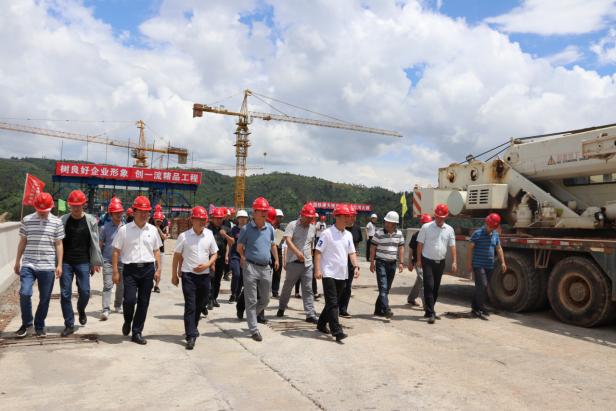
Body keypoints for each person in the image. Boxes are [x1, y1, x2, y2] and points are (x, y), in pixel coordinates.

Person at [112, 196, 162, 345]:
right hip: (130, 270)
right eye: (140, 211)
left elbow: (157, 251)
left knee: (143, 302)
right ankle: (128, 320)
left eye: (146, 211)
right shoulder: (124, 230)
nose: (143, 214)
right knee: (129, 300)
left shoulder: (153, 230)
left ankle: (137, 332)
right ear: (133, 212)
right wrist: (115, 272)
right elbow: (116, 251)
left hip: (148, 269)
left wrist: (158, 269)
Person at [13, 193, 65, 338]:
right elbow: (23, 241)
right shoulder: (27, 220)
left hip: (47, 265)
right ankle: (27, 323)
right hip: (29, 263)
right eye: (40, 210)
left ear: (51, 207)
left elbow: (59, 244)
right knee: (24, 293)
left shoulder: (57, 222)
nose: (42, 212)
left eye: (45, 210)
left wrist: (59, 264)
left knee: (45, 298)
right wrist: (17, 261)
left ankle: (39, 325)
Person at [172, 206, 218, 349]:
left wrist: (208, 265)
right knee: (190, 306)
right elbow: (176, 256)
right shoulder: (184, 236)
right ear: (192, 220)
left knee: (199, 305)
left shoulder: (209, 235)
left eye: (204, 219)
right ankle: (190, 336)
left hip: (204, 276)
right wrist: (174, 275)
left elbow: (214, 253)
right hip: (189, 277)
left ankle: (194, 326)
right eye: (199, 219)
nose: (203, 222)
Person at [59, 190, 103, 337]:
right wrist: (58, 264)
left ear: (84, 204)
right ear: (69, 205)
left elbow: (94, 242)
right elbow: (58, 242)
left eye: (78, 205)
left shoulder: (90, 221)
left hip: (83, 261)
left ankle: (81, 308)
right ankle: (69, 323)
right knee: (65, 293)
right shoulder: (63, 220)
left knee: (84, 292)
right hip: (66, 262)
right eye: (73, 205)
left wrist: (93, 262)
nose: (76, 208)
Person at [315, 204, 359, 342]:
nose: (347, 218)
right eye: (345, 216)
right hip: (328, 273)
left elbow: (352, 252)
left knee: (332, 302)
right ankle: (337, 331)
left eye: (348, 216)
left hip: (342, 273)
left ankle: (321, 323)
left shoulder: (348, 235)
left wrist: (356, 266)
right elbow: (318, 251)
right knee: (333, 303)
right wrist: (317, 270)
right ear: (336, 217)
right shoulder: (327, 233)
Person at [236, 197, 278, 341]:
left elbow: (272, 244)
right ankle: (254, 330)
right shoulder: (246, 229)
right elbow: (239, 248)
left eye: (265, 210)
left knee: (266, 299)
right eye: (261, 210)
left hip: (266, 268)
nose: (264, 213)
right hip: (251, 267)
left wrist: (276, 259)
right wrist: (245, 258)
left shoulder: (270, 228)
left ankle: (251, 316)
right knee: (251, 300)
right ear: (254, 212)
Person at [276, 204, 318, 323]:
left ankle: (310, 314)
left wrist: (310, 256)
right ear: (302, 215)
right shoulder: (292, 225)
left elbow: (311, 244)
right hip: (293, 262)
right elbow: (288, 240)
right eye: (308, 217)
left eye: (312, 217)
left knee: (308, 288)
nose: (310, 219)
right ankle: (282, 307)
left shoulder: (312, 228)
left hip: (307, 264)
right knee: (288, 287)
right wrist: (297, 252)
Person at [416, 204, 457, 324]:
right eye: (437, 217)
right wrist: (419, 260)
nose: (439, 219)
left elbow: (452, 246)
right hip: (427, 261)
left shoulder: (449, 229)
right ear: (434, 215)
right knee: (429, 286)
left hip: (440, 262)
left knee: (436, 288)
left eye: (442, 217)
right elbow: (420, 244)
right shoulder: (426, 227)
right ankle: (431, 312)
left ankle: (429, 311)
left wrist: (454, 262)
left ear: (446, 217)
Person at [468, 214, 506, 319]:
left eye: (494, 227)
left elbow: (499, 248)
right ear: (486, 223)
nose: (492, 229)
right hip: (478, 264)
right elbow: (470, 248)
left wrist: (503, 262)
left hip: (490, 265)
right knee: (483, 285)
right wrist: (469, 264)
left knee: (482, 287)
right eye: (491, 227)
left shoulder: (495, 235)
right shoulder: (477, 234)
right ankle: (482, 307)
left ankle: (475, 307)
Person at [370, 211, 405, 319]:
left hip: (392, 264)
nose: (387, 224)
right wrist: (372, 263)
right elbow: (373, 248)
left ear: (395, 224)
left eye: (390, 222)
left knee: (386, 289)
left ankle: (378, 309)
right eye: (386, 221)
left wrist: (401, 263)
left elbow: (401, 248)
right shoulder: (379, 233)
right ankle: (386, 309)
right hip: (381, 263)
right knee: (383, 288)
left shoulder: (399, 234)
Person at [99, 200, 125, 320]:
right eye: (116, 212)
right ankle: (105, 310)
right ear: (110, 214)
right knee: (108, 285)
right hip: (108, 260)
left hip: (123, 261)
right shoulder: (105, 228)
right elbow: (99, 245)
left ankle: (118, 305)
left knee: (121, 286)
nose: (119, 214)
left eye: (120, 212)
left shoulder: (127, 228)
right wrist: (97, 261)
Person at [207, 207, 234, 309]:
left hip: (221, 258)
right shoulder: (207, 230)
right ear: (213, 218)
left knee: (218, 280)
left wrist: (225, 235)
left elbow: (232, 242)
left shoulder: (226, 229)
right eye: (217, 218)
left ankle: (214, 298)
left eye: (220, 218)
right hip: (209, 259)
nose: (219, 220)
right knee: (211, 278)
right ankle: (209, 299)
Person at [339, 205, 363, 318]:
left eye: (354, 215)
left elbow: (356, 245)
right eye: (351, 215)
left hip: (350, 264)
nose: (353, 217)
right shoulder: (340, 229)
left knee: (347, 287)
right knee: (339, 287)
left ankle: (343, 310)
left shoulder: (357, 229)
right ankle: (334, 309)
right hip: (338, 263)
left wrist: (355, 264)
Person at [407, 214, 433, 308]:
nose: (426, 225)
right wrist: (410, 263)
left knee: (419, 279)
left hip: (428, 261)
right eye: (424, 223)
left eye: (428, 223)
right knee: (422, 280)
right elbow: (411, 250)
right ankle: (426, 305)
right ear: (421, 224)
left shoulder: (431, 236)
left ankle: (411, 298)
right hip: (418, 262)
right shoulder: (416, 235)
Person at [229, 210, 249, 303]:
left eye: (245, 218)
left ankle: (238, 294)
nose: (244, 219)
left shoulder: (249, 230)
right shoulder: (233, 230)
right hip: (235, 255)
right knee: (236, 274)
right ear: (237, 219)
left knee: (242, 276)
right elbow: (230, 243)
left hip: (246, 255)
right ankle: (233, 294)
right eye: (242, 217)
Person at [150, 211, 168, 293]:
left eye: (160, 221)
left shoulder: (163, 228)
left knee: (159, 269)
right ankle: (150, 283)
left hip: (161, 251)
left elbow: (164, 237)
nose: (158, 223)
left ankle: (157, 286)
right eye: (157, 221)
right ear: (153, 220)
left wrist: (159, 230)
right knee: (151, 269)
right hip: (151, 252)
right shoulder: (149, 228)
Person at [270, 208, 285, 299]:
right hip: (269, 251)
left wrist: (282, 239)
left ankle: (275, 292)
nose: (281, 219)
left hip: (278, 251)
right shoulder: (269, 227)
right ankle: (265, 291)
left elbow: (282, 241)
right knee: (267, 272)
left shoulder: (281, 229)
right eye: (279, 217)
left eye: (282, 217)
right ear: (275, 217)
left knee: (277, 273)